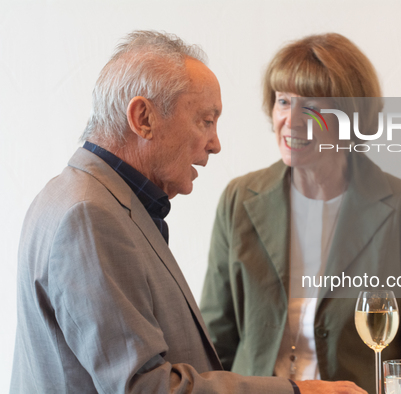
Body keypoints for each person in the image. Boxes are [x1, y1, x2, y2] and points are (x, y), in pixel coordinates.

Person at [10, 30, 366, 394]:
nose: (215, 144)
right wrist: (301, 391)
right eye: (205, 121)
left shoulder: (90, 199)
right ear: (143, 118)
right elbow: (145, 387)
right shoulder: (89, 216)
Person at [201, 33, 401, 394]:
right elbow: (214, 344)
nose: (290, 120)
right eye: (283, 102)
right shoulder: (239, 198)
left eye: (311, 107)